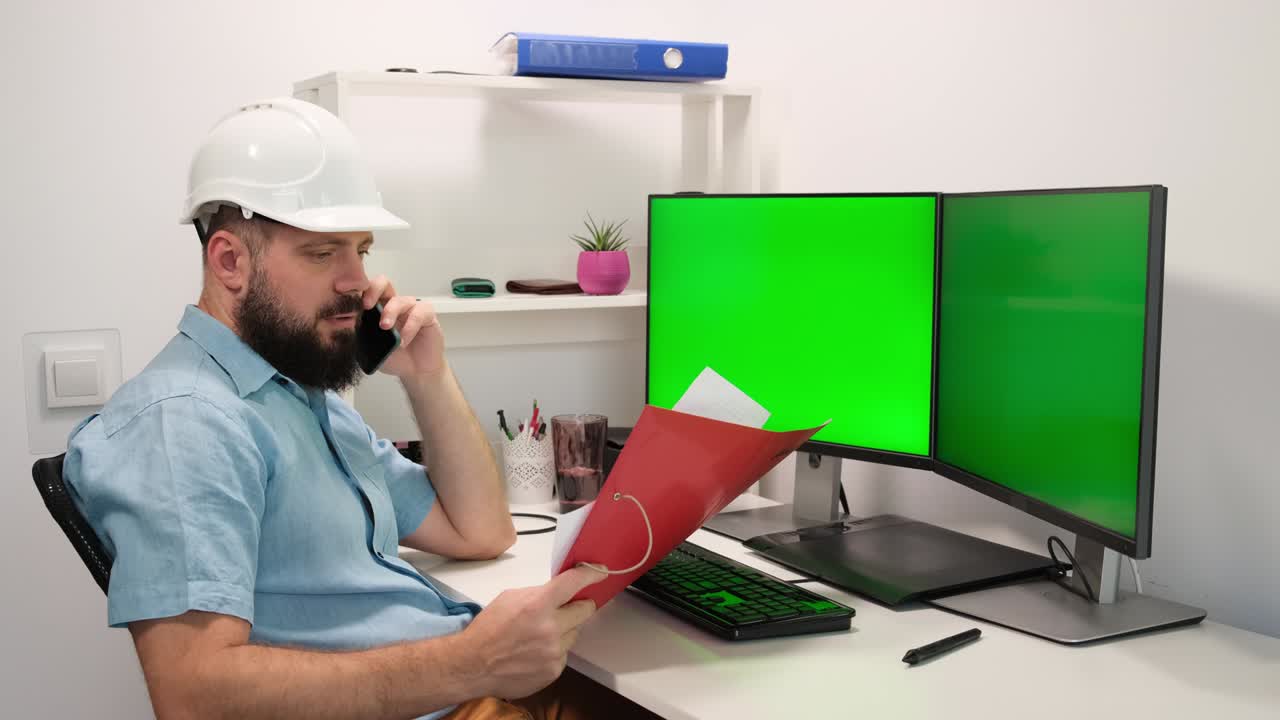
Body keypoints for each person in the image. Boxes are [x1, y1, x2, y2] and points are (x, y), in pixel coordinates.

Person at [64, 98, 655, 720]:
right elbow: (192, 695)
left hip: (467, 690)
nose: (357, 280)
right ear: (231, 261)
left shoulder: (300, 397)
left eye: (361, 251)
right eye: (323, 253)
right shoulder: (186, 421)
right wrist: (471, 662)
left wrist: (428, 376)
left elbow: (481, 532)